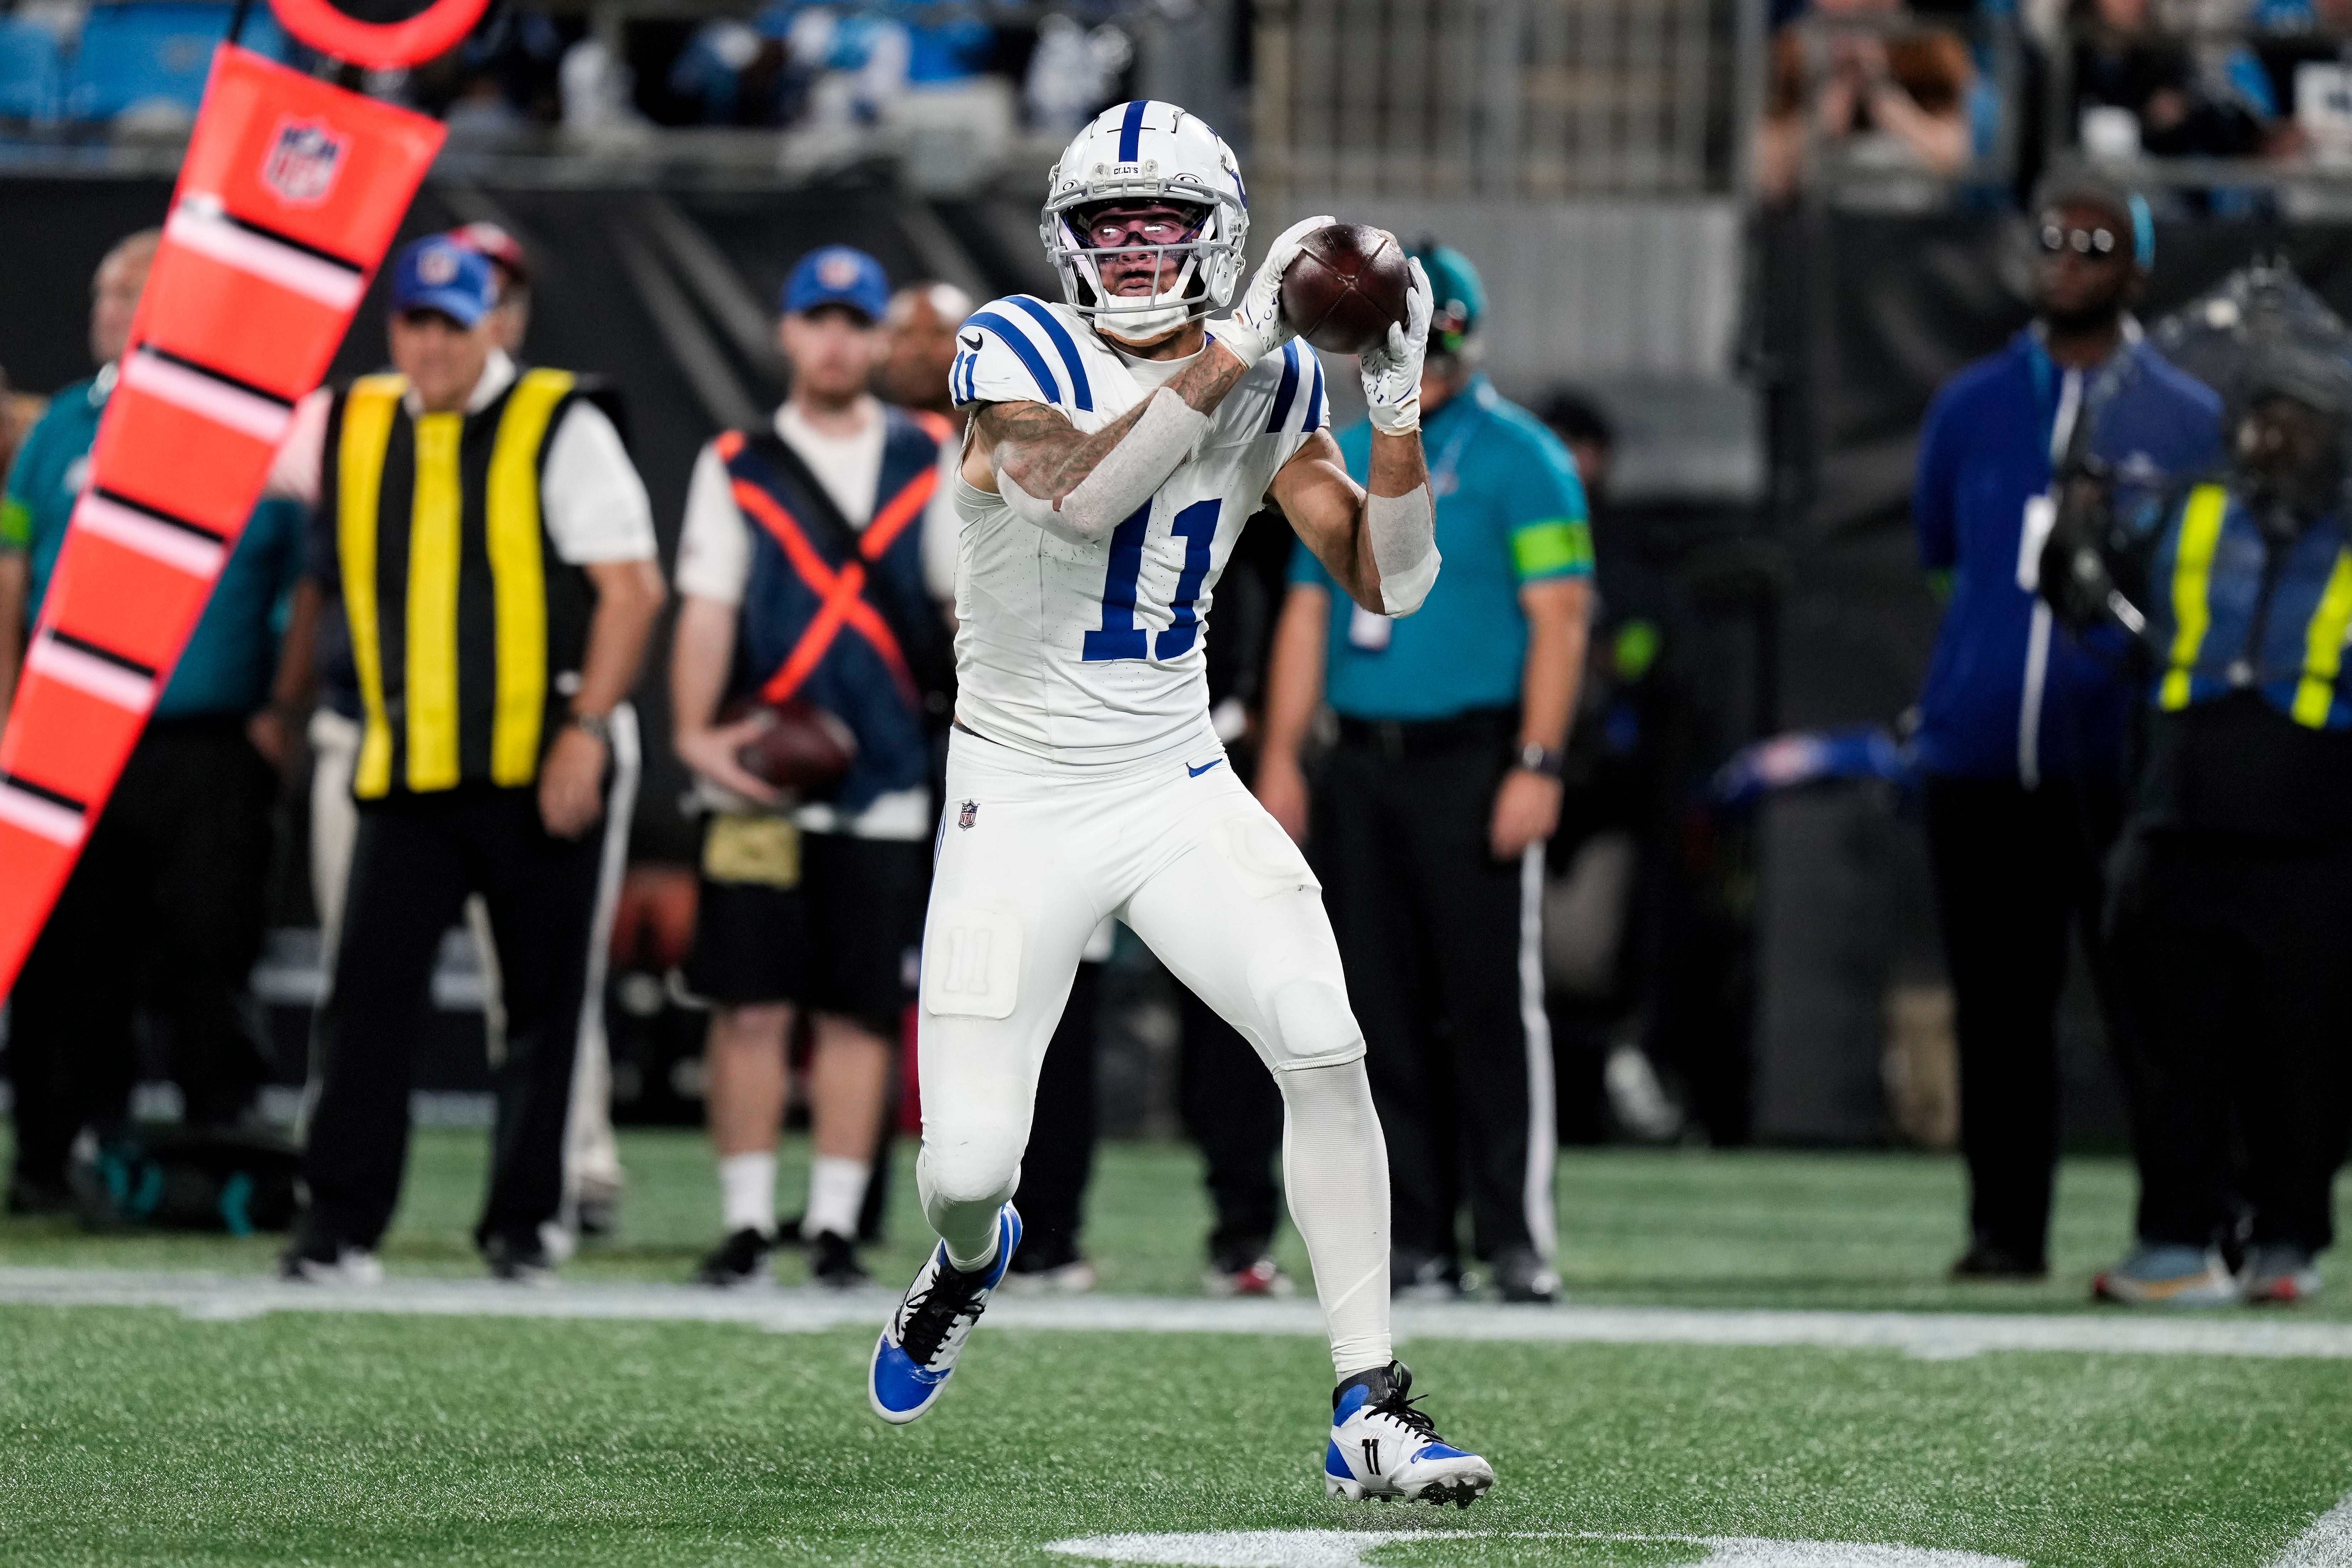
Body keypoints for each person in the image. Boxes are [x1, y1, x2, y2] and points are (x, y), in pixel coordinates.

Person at [863, 97, 1495, 1508]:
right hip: (1017, 795)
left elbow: (1391, 579)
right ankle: (969, 1257)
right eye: (1112, 227)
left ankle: (1369, 1402)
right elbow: (1078, 499)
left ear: (1218, 238)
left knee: (1322, 1038)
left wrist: (1393, 415)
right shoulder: (1014, 343)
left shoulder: (1273, 378)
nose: (1138, 252)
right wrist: (1241, 346)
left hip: (1172, 779)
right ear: (1067, 241)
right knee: (966, 1166)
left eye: (1165, 226)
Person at [271, 236, 666, 1283]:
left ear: (494, 324)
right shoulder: (348, 418)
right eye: (417, 322)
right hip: (406, 765)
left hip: (540, 764)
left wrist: (585, 731)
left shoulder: (560, 421)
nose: (434, 345)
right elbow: (215, 450)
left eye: (454, 323)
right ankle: (336, 1223)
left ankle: (525, 1223)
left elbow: (632, 590)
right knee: (365, 1000)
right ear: (392, 325)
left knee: (541, 1006)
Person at [1258, 244, 1595, 1306]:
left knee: (1487, 1005)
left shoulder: (1522, 456)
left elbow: (1561, 617)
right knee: (1377, 1010)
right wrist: (1280, 755)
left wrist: (1537, 759)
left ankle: (1513, 1234)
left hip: (1470, 758)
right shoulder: (1340, 448)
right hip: (1362, 759)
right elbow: (1306, 612)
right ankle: (1415, 1239)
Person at [1910, 170, 2220, 1282]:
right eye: (2052, 239)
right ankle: (2005, 1229)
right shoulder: (1970, 403)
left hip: (2120, 759)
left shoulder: (2185, 415)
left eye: (2093, 245)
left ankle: (2181, 1226)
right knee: (1997, 1008)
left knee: (2154, 1005)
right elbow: (1942, 557)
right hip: (1981, 756)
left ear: (2136, 266)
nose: (2066, 260)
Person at [2042, 330, 2352, 1307]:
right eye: (2259, 418)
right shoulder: (2185, 511)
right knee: (2172, 1051)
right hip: (2176, 813)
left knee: (2301, 1051)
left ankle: (2286, 1238)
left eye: (2295, 422)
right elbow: (2082, 591)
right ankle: (2178, 1237)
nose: (2272, 438)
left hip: (2314, 826)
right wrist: (2072, 539)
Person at [0, 230, 305, 1213]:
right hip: (74, 736)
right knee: (73, 954)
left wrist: (281, 707)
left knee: (213, 946)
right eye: (103, 292)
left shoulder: (251, 428)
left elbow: (309, 578)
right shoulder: (59, 428)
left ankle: (225, 1147)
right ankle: (67, 1151)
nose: (110, 309)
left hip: (206, 737)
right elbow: (10, 572)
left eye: (132, 291)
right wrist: (12, 714)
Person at [671, 246, 953, 1290]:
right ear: (787, 332)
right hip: (760, 776)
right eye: (817, 319)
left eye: (853, 321)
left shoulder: (930, 453)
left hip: (883, 777)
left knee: (857, 1008)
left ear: (877, 339)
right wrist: (694, 735)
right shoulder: (736, 461)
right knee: (747, 1004)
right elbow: (707, 605)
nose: (834, 341)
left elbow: (960, 611)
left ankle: (833, 1224)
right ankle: (747, 1221)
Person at [1757, 0, 1975, 201]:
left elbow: (1956, 159)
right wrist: (1825, 117)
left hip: (1917, 221)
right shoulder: (1794, 54)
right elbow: (1767, 174)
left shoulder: (1931, 52)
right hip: (1814, 221)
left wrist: (1883, 97)